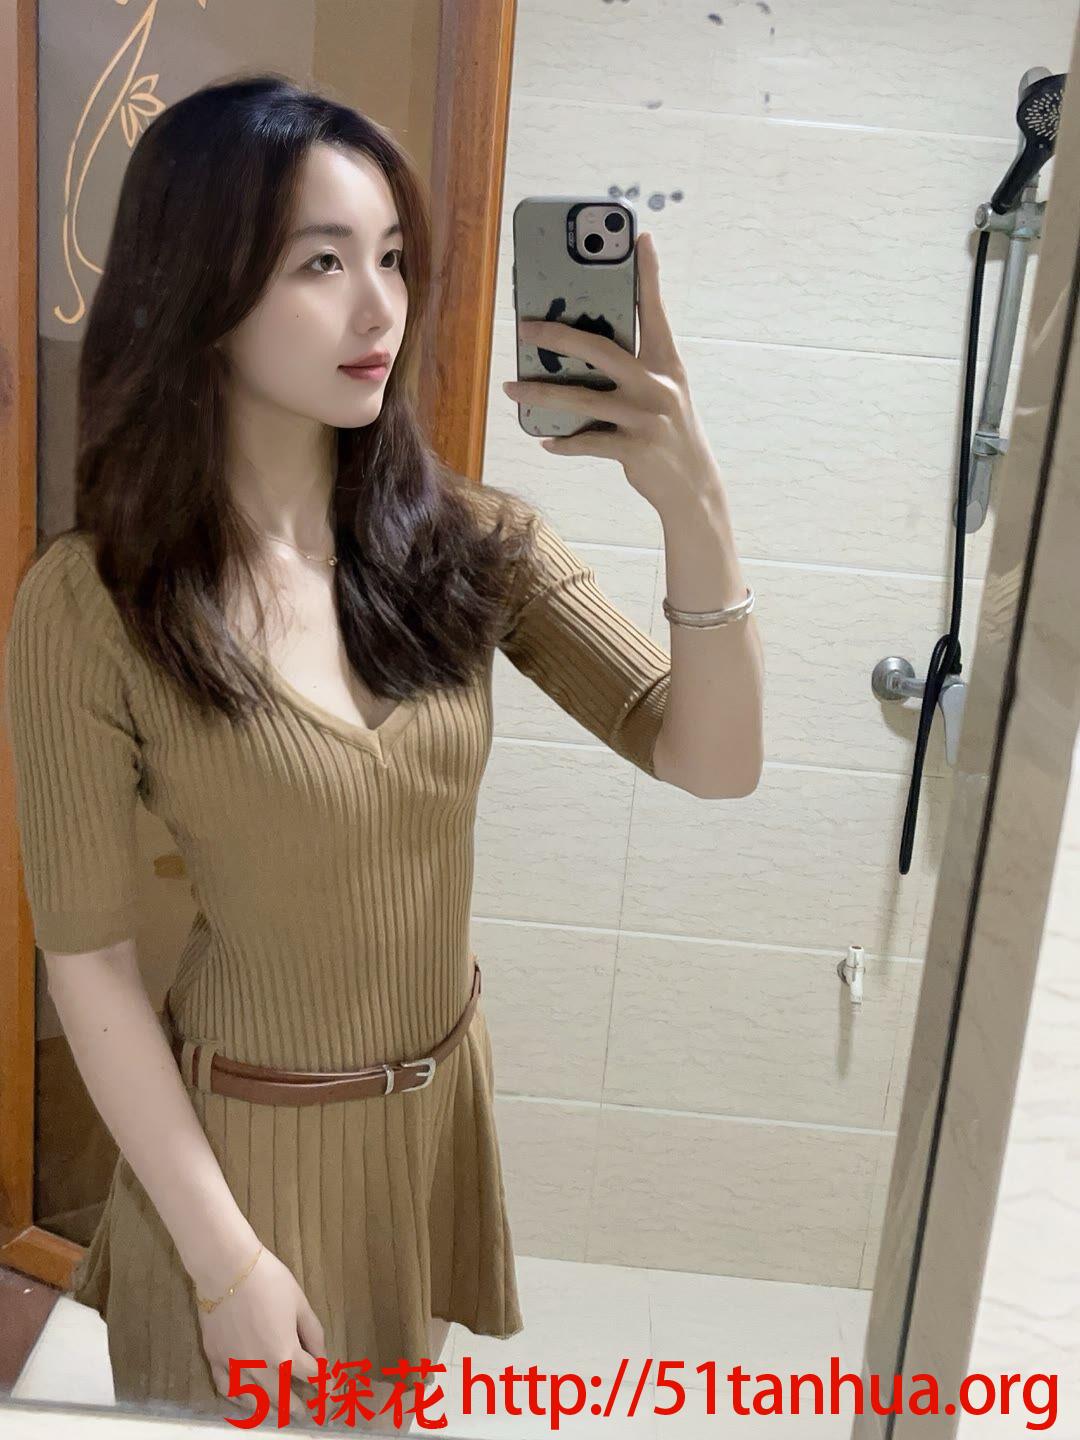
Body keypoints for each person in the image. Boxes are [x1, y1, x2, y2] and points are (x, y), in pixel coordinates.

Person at [2, 73, 685, 1432]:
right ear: (200, 286)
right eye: (322, 262)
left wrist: (691, 497)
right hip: (243, 1154)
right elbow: (86, 962)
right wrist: (224, 1265)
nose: (381, 308)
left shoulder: (469, 544)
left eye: (393, 257)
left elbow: (710, 756)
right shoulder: (93, 602)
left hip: (427, 1123)